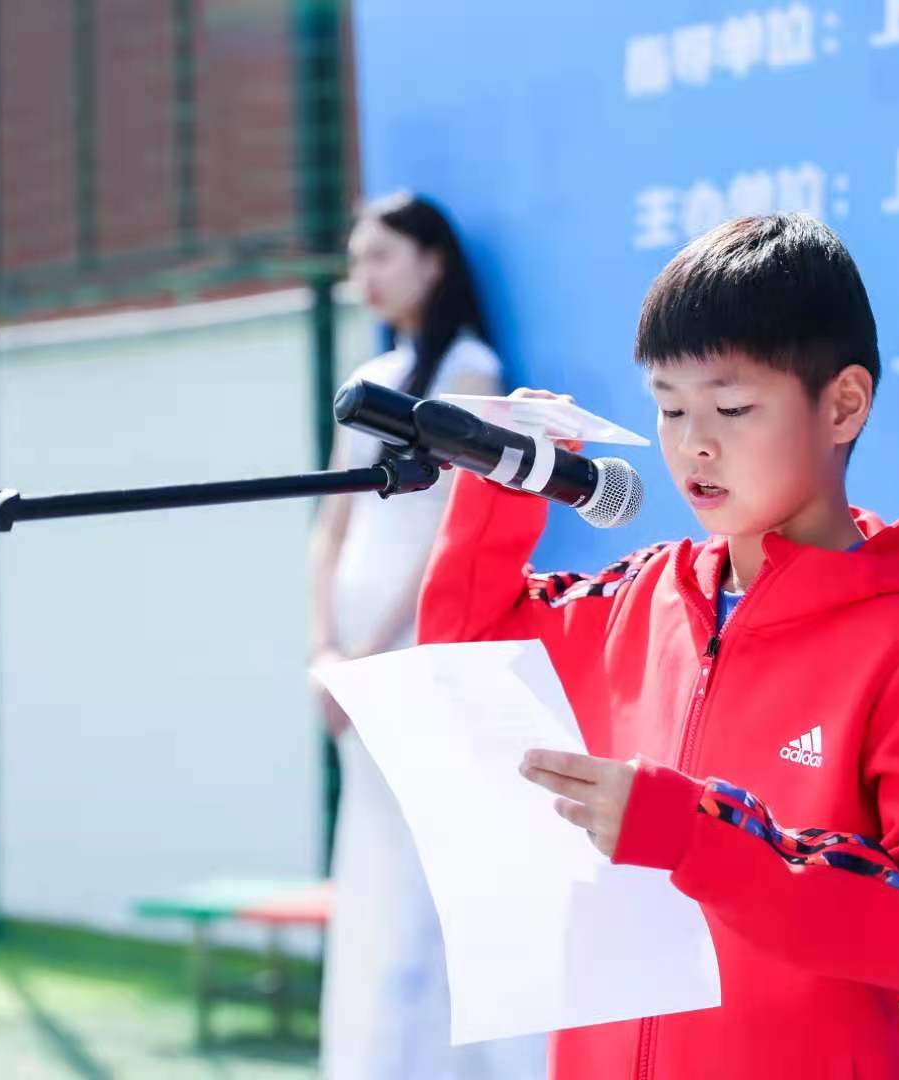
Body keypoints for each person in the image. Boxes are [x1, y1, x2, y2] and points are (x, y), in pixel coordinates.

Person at [417, 213, 899, 1079]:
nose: (692, 444)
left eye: (732, 408)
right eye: (669, 408)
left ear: (842, 404)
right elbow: (469, 653)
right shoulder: (638, 596)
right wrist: (503, 481)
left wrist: (697, 837)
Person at [309, 192, 546, 1080]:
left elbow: (454, 526)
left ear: (432, 262)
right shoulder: (375, 375)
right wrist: (323, 651)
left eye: (380, 256)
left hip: (424, 649)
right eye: (355, 258)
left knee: (431, 869)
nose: (362, 276)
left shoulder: (471, 373)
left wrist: (367, 653)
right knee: (376, 868)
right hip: (353, 656)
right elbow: (329, 523)